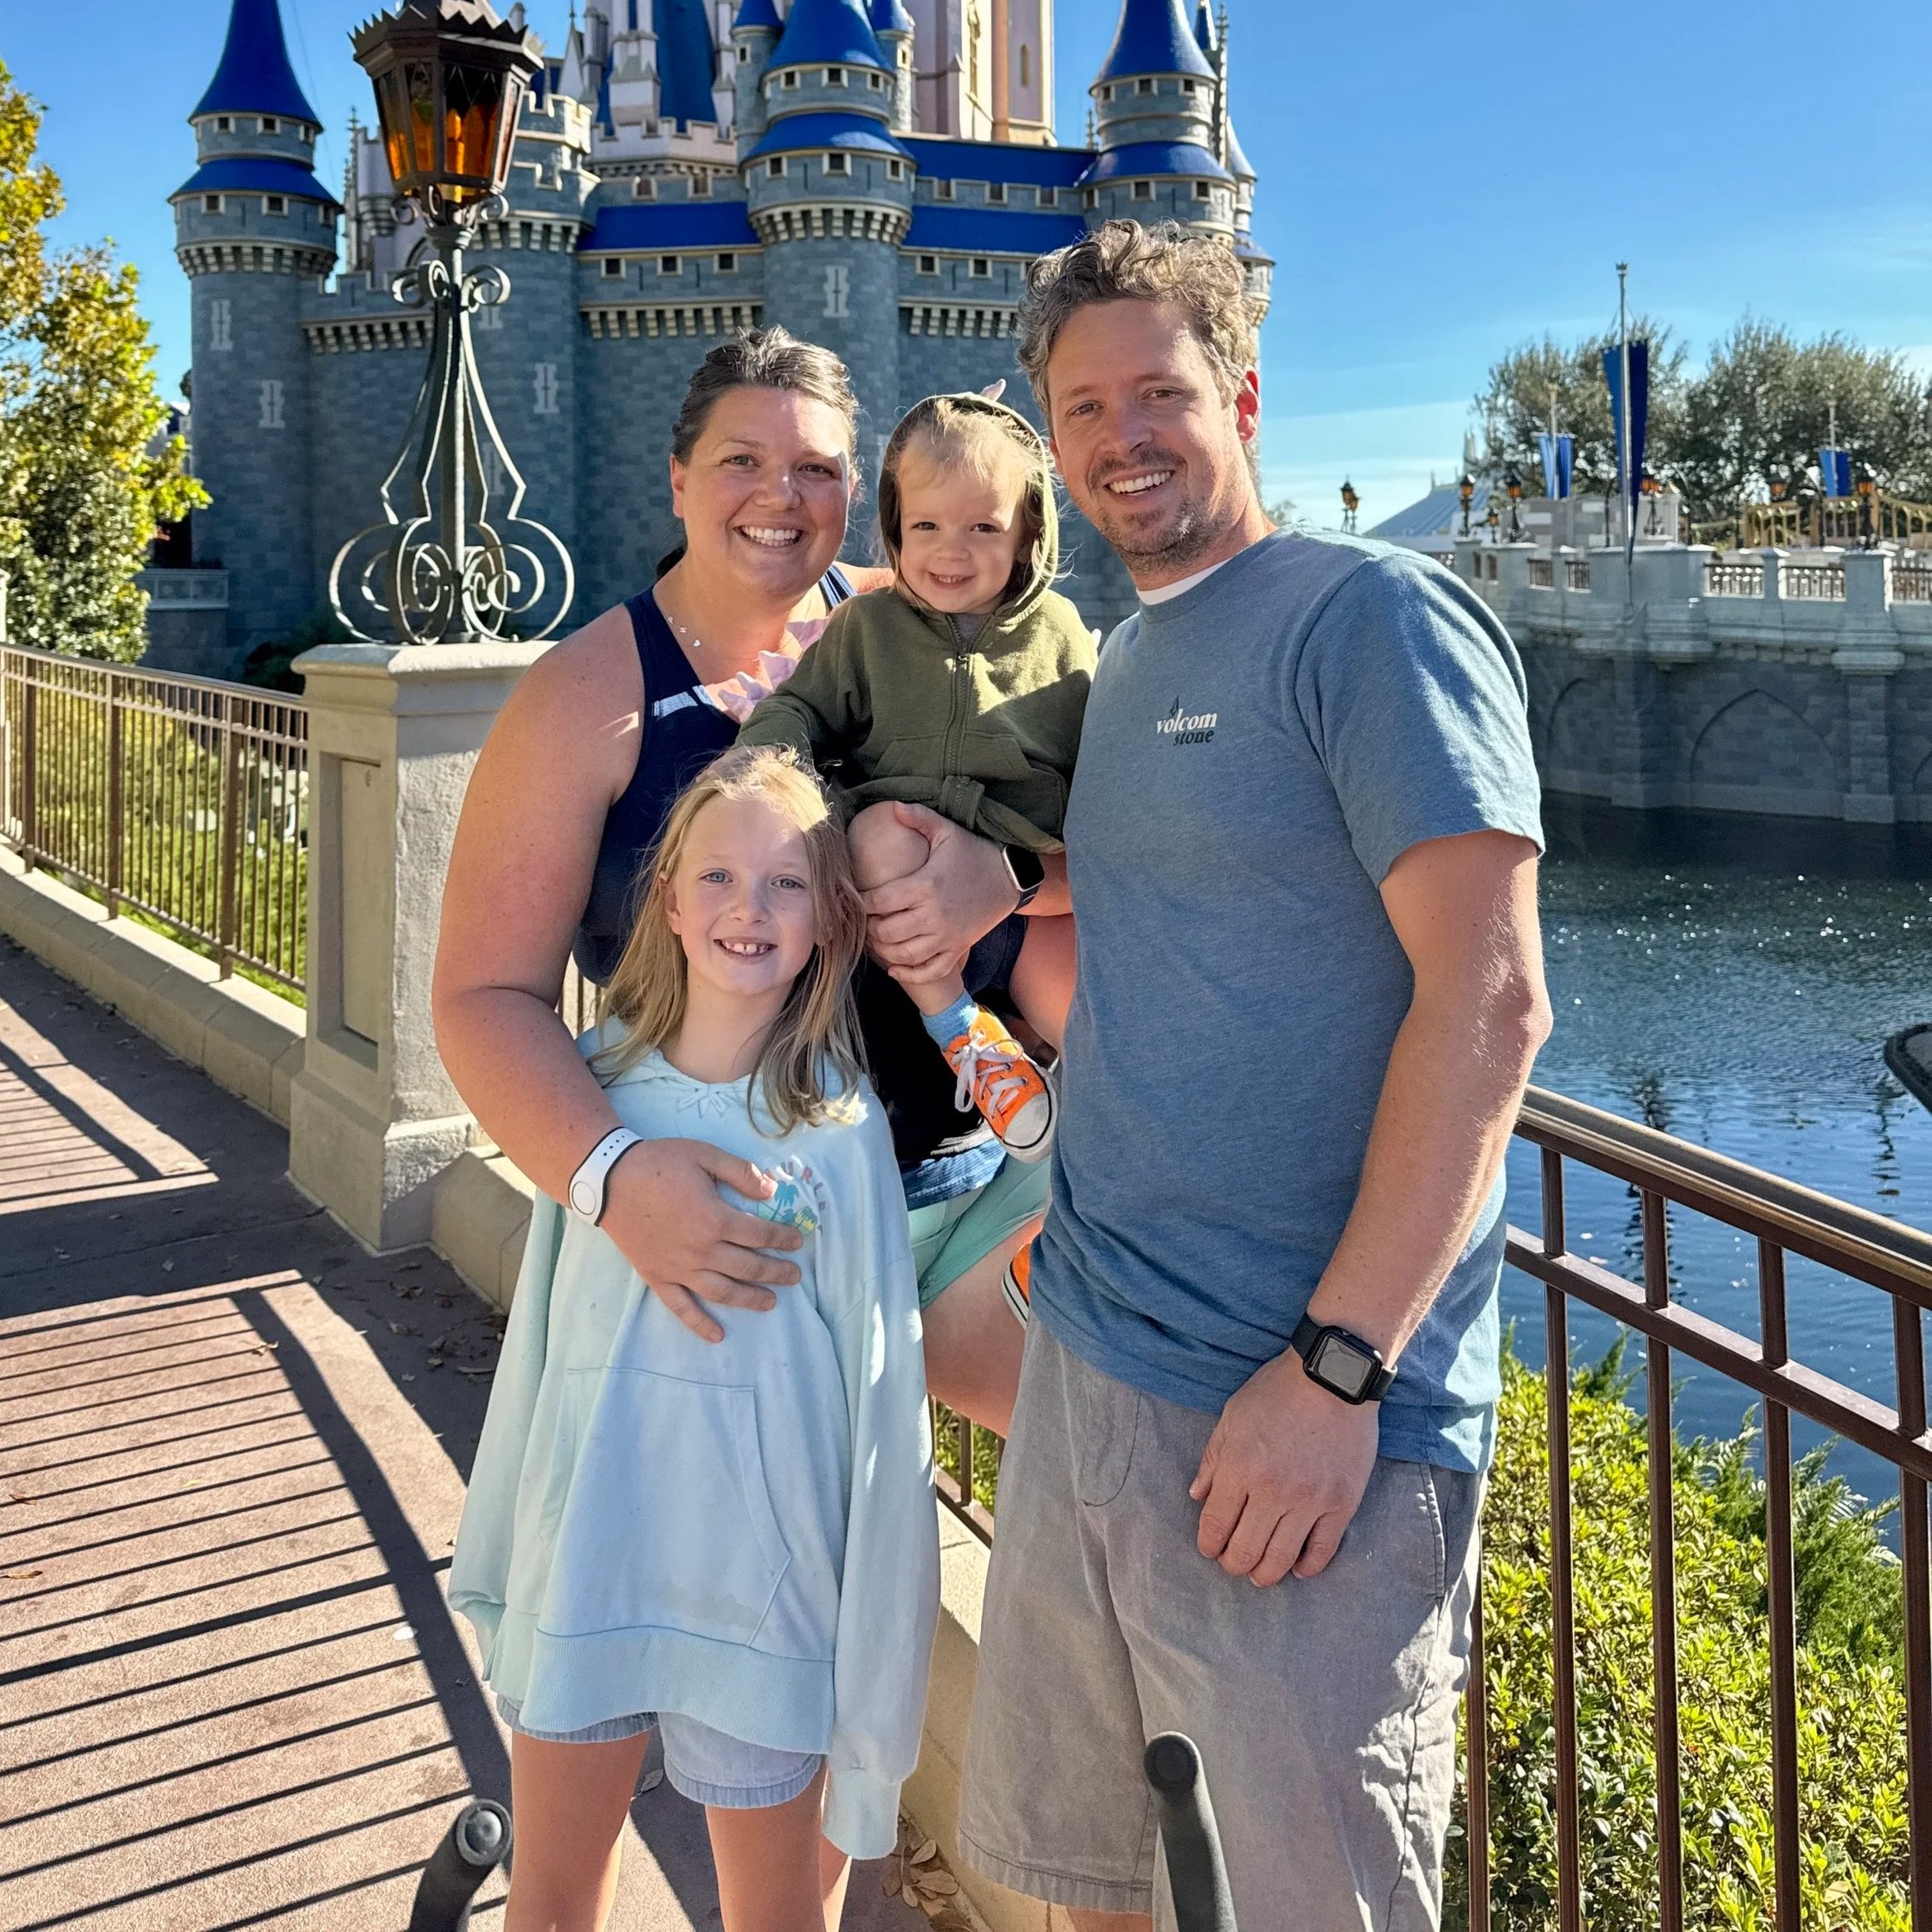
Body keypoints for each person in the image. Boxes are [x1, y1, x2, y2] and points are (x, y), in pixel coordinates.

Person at [955, 220, 1553, 1930]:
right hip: (1094, 1365)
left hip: (1295, 1421)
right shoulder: (1129, 657)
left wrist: (1339, 1367)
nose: (1121, 436)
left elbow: (1493, 998)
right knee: (1099, 1889)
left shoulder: (1370, 617)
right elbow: (1176, 936)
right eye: (1081, 407)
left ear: (1242, 392)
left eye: (1158, 391)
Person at [450, 746, 939, 1932]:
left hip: (761, 1606)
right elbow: (546, 1353)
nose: (746, 908)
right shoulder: (587, 1100)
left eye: (783, 882)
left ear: (829, 916)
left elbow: (883, 1414)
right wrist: (511, 1542)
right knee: (551, 1901)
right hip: (592, 1568)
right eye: (717, 875)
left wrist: (872, 1659)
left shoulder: (836, 1133)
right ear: (666, 899)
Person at [738, 390, 1095, 1163]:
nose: (950, 552)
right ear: (896, 526)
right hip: (903, 891)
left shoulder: (1061, 634)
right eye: (926, 525)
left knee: (1116, 1053)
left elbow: (1102, 769)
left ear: (1029, 531)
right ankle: (967, 1037)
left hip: (1026, 905)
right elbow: (799, 706)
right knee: (878, 830)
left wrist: (1040, 867)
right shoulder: (868, 628)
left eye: (983, 527)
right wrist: (765, 764)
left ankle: (1095, 1207)